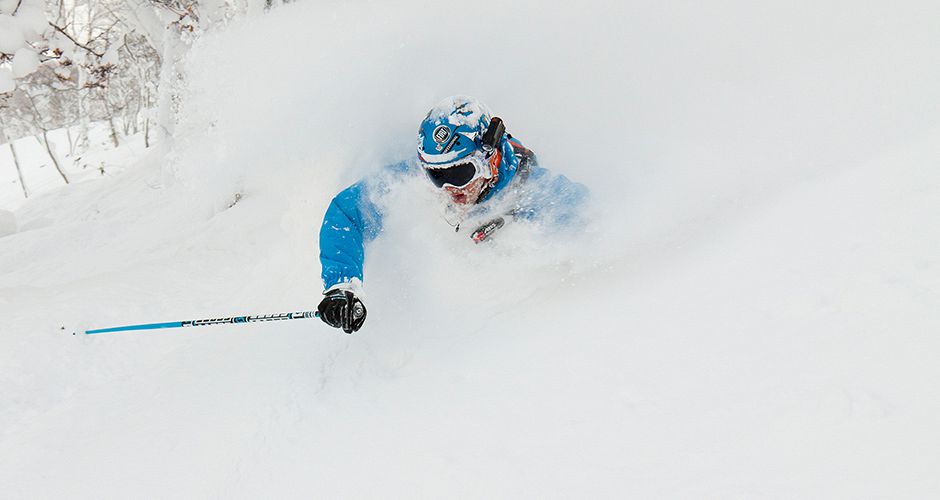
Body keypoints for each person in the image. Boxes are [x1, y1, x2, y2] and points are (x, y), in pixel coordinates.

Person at [316, 95, 588, 333]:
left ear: (488, 159)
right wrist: (343, 286)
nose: (448, 188)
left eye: (460, 173)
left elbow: (595, 221)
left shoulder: (536, 193)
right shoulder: (410, 181)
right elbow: (346, 214)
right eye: (436, 175)